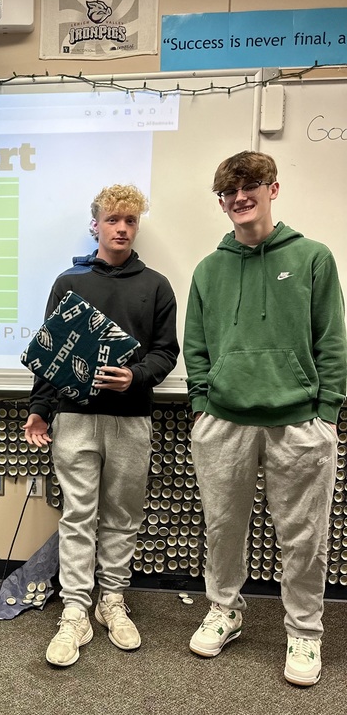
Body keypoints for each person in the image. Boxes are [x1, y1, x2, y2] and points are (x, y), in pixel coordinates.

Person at [185, 151, 346, 687]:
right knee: (223, 526)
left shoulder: (313, 258)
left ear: (273, 189)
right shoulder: (209, 268)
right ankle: (225, 610)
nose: (238, 198)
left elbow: (332, 341)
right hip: (223, 421)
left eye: (250, 186)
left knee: (303, 535)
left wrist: (325, 413)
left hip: (299, 422)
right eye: (228, 192)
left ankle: (304, 630)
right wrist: (202, 405)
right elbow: (198, 345)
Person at [24, 185, 179, 667]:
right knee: (77, 515)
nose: (122, 228)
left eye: (130, 221)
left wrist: (136, 376)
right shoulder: (70, 283)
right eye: (113, 220)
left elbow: (166, 352)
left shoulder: (156, 286)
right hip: (74, 419)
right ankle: (74, 609)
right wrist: (38, 409)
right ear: (96, 225)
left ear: (136, 227)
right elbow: (51, 357)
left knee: (122, 516)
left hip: (130, 420)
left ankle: (112, 600)